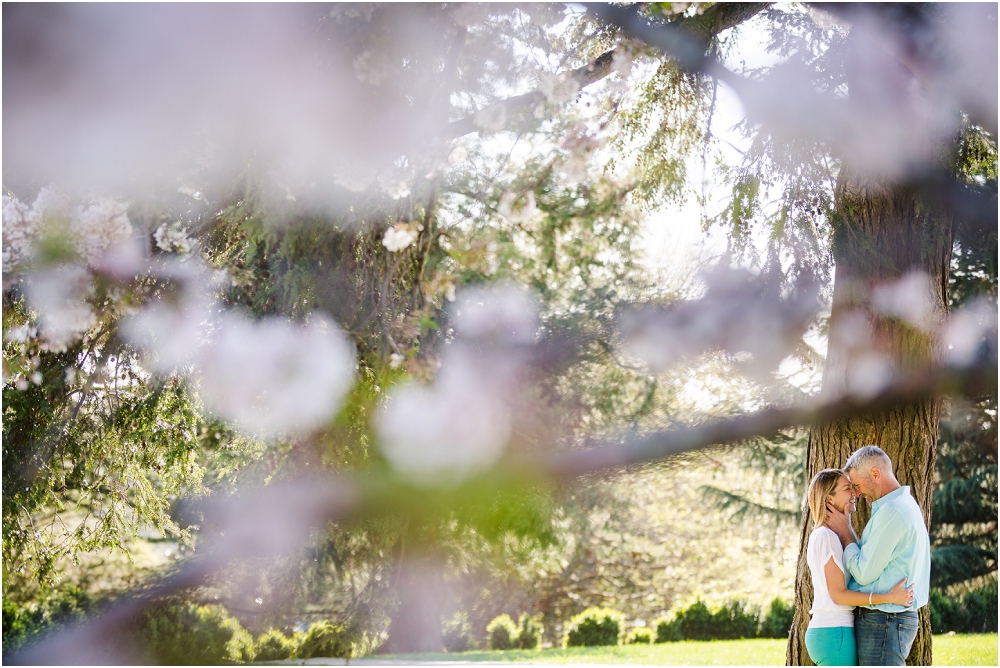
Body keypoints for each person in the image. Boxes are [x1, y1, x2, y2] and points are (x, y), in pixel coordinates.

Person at [825, 445, 931, 666]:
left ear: (875, 474)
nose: (856, 492)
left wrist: (845, 532)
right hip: (889, 620)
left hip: (884, 621)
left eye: (856, 485)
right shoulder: (903, 505)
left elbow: (864, 573)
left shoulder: (892, 511)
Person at [804, 469, 914, 666]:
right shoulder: (827, 537)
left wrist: (846, 529)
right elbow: (838, 594)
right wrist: (888, 598)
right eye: (847, 488)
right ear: (829, 499)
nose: (854, 493)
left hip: (833, 632)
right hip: (834, 633)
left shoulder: (828, 535)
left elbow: (859, 566)